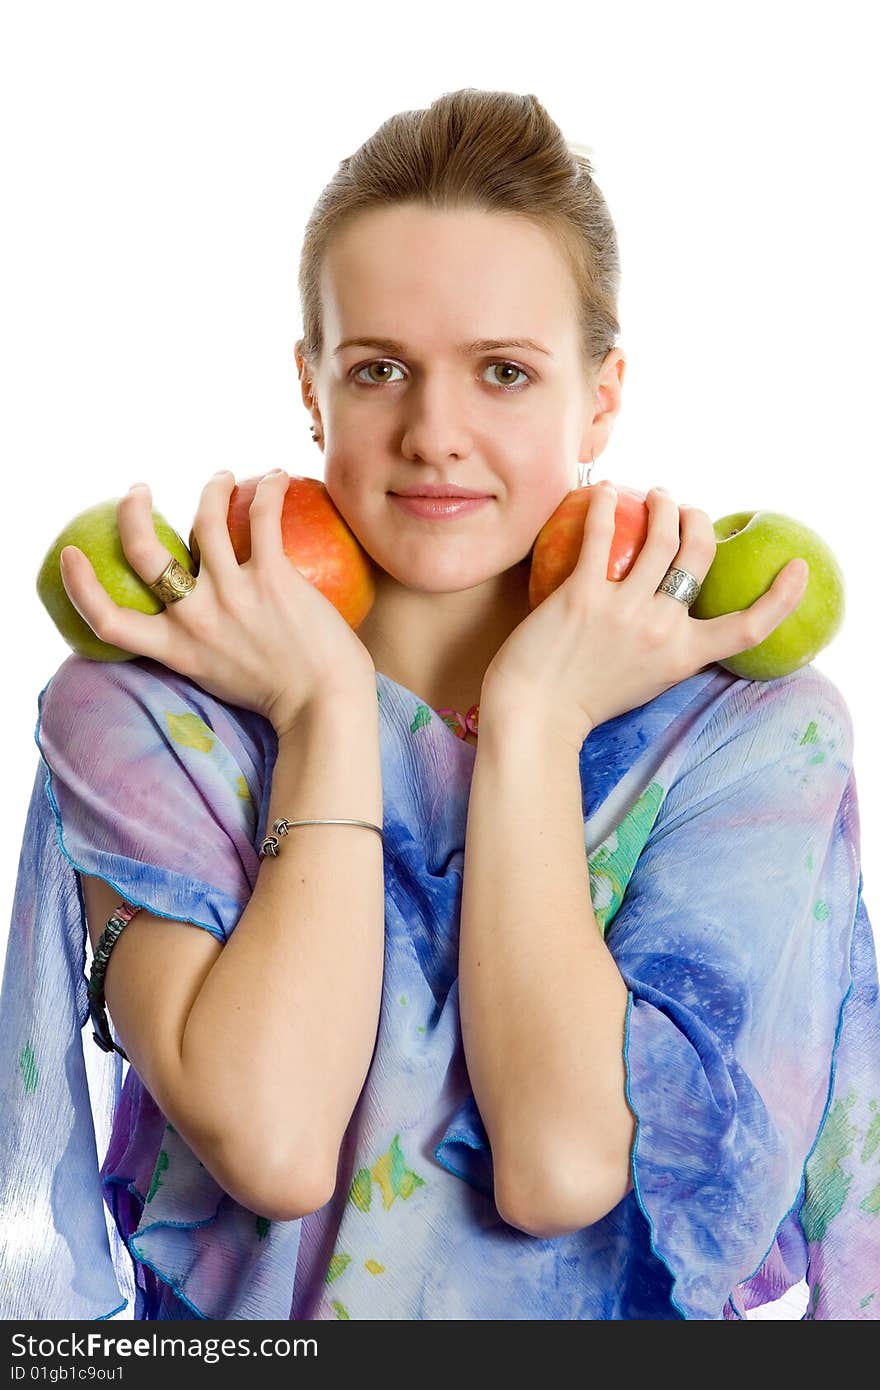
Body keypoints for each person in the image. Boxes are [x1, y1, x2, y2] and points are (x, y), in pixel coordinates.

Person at [1, 88, 877, 1322]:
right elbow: (273, 1138)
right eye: (380, 370)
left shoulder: (745, 735)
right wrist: (321, 712)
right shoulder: (145, 710)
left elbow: (562, 1167)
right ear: (312, 385)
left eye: (505, 373)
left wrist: (532, 721)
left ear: (602, 396)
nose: (435, 434)